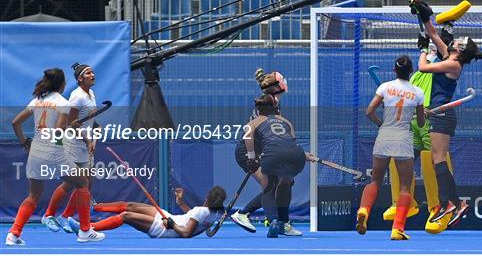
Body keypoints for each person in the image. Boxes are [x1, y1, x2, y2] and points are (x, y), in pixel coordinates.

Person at [5, 68, 104, 246]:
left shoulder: (37, 100)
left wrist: (24, 142)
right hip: (54, 152)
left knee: (33, 196)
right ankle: (84, 231)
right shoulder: (63, 103)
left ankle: (13, 234)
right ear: (62, 85)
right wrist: (69, 128)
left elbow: (15, 122)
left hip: (35, 151)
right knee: (83, 183)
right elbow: (59, 131)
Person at [411, 0, 482, 227]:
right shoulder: (448, 57)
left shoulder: (453, 65)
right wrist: (425, 16)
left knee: (438, 159)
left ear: (461, 49)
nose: (457, 40)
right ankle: (456, 204)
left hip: (442, 115)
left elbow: (423, 67)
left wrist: (423, 50)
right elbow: (433, 33)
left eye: (460, 41)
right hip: (436, 114)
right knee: (436, 160)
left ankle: (447, 203)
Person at [356, 55, 425, 240]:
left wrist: (381, 124)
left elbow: (369, 111)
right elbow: (420, 122)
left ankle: (364, 210)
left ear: (394, 70)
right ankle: (397, 229)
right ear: (411, 71)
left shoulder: (385, 87)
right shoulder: (418, 92)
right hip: (403, 137)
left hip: (385, 135)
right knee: (405, 187)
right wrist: (423, 113)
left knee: (375, 182)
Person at [232, 70, 302, 236]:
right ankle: (245, 214)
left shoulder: (273, 102)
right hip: (248, 150)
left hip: (265, 150)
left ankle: (280, 222)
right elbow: (254, 133)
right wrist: (252, 157)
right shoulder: (268, 104)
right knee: (269, 185)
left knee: (285, 182)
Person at [43, 63, 99, 233]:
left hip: (84, 145)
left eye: (92, 72)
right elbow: (71, 124)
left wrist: (94, 138)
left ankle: (65, 217)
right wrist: (87, 140)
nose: (92, 74)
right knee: (70, 183)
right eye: (88, 73)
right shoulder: (77, 97)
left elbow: (91, 122)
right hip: (72, 145)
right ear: (80, 78)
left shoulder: (91, 94)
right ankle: (48, 215)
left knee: (87, 183)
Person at [243, 94, 310, 238]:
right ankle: (284, 223)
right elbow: (290, 142)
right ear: (275, 108)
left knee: (268, 189)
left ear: (257, 110)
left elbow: (247, 136)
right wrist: (304, 155)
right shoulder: (286, 121)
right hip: (296, 156)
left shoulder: (253, 123)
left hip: (273, 155)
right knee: (285, 183)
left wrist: (251, 157)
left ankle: (273, 220)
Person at [68, 186, 226, 239]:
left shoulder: (202, 210)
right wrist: (181, 203)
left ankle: (88, 228)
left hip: (165, 228)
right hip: (171, 219)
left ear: (207, 198)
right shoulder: (214, 215)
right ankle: (95, 206)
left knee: (125, 216)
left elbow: (185, 233)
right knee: (129, 205)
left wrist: (171, 225)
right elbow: (196, 222)